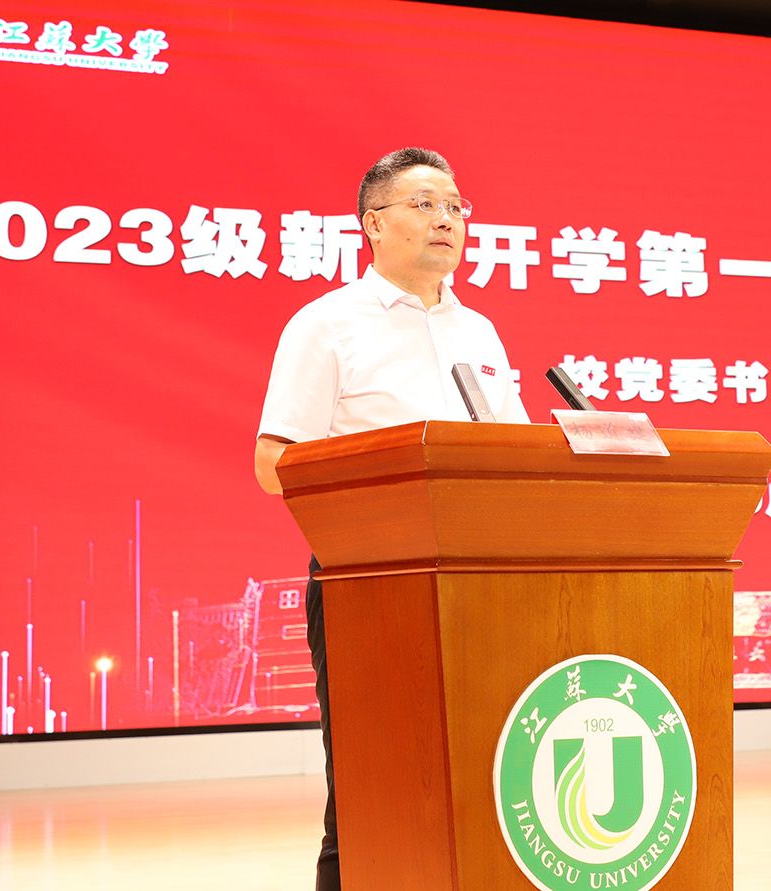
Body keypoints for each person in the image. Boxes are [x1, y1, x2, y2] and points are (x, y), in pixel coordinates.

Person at [252, 147, 529, 891]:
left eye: (456, 206)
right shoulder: (327, 324)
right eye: (425, 204)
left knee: (480, 781)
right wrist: (394, 467)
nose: (447, 220)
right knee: (370, 791)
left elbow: (515, 456)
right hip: (368, 582)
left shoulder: (480, 332)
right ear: (373, 224)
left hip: (480, 583)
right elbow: (274, 462)